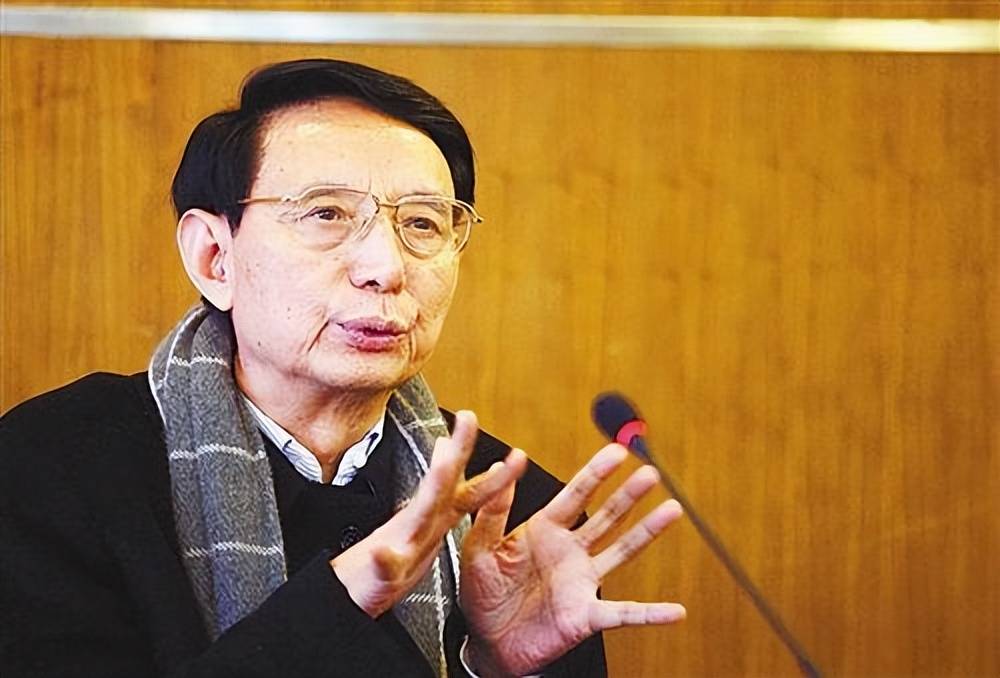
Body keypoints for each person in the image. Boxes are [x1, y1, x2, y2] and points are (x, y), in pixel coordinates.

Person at [0, 59, 685, 677]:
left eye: (422, 224)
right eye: (326, 213)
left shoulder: (509, 509)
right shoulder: (53, 469)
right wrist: (344, 600)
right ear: (215, 258)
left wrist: (490, 667)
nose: (385, 268)